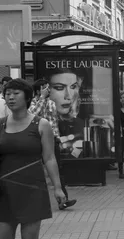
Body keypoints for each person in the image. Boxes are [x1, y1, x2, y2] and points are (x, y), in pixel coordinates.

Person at [0, 79, 67, 239]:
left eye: (16, 94)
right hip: (4, 190)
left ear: (27, 97)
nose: (11, 97)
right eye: (7, 94)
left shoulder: (41, 125)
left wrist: (57, 187)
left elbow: (49, 158)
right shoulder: (1, 125)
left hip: (32, 189)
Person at [28, 79, 76, 210]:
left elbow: (54, 122)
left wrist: (58, 138)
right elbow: (32, 115)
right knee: (36, 172)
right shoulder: (32, 103)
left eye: (48, 88)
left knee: (57, 170)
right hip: (36, 141)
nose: (48, 90)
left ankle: (63, 200)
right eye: (45, 88)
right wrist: (42, 98)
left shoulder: (52, 103)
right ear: (38, 90)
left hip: (52, 140)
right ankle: (33, 202)